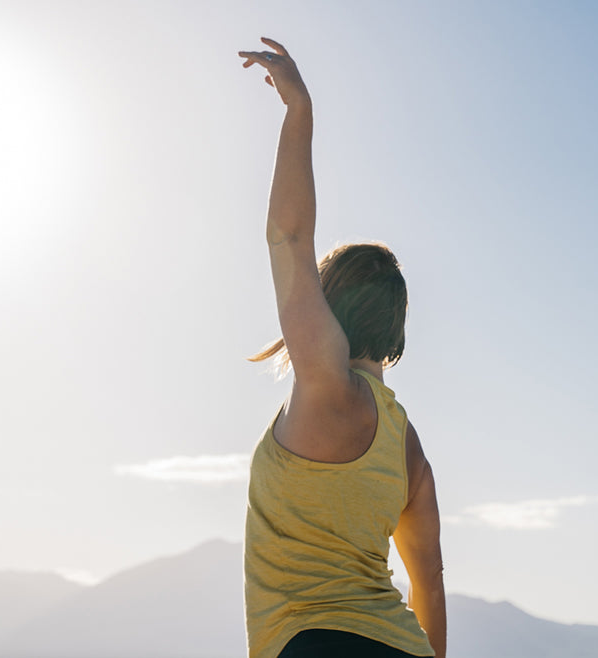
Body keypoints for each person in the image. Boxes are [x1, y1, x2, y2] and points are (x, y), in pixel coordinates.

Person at [238, 38, 447, 658]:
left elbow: (289, 235)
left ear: (330, 304)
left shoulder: (327, 383)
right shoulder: (405, 443)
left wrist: (298, 110)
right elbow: (428, 581)